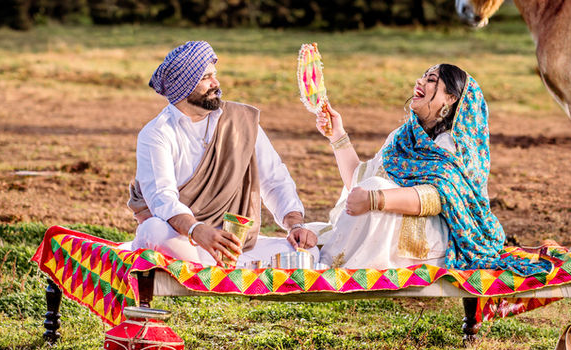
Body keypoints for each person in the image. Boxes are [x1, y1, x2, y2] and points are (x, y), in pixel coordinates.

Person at [309, 63, 549, 274]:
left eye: (431, 80)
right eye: (423, 77)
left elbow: (438, 197)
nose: (419, 81)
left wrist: (375, 199)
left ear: (451, 99)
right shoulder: (402, 137)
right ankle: (330, 260)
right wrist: (337, 135)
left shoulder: (452, 143)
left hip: (438, 239)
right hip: (394, 224)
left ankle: (330, 265)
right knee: (359, 196)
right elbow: (357, 183)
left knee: (374, 188)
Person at [127, 41, 318, 267]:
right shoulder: (158, 133)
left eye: (214, 75)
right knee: (153, 230)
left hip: (235, 244)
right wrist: (197, 230)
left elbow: (275, 180)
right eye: (206, 78)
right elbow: (162, 198)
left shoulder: (241, 121)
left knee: (308, 253)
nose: (216, 84)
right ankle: (234, 269)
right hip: (185, 240)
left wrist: (295, 224)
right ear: (183, 85)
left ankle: (223, 267)